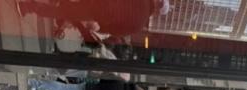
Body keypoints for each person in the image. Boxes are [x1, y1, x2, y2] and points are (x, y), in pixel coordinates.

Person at [17, 0, 170, 39]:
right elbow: (116, 31)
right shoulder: (139, 25)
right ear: (157, 13)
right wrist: (101, 26)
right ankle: (27, 7)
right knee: (65, 12)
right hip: (100, 12)